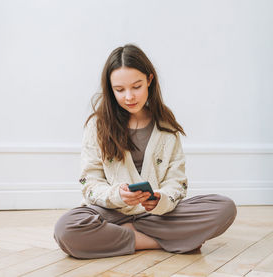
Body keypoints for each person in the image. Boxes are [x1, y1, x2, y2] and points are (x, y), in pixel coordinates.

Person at [53, 44, 237, 259]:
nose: (129, 96)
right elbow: (89, 181)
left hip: (156, 215)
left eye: (136, 86)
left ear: (149, 80)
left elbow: (177, 181)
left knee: (224, 207)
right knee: (66, 229)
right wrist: (117, 195)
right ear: (110, 90)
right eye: (119, 90)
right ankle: (157, 241)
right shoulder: (98, 125)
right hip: (110, 213)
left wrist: (161, 199)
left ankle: (127, 236)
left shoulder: (166, 127)